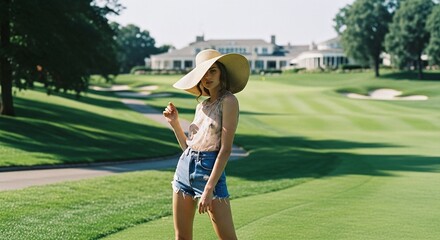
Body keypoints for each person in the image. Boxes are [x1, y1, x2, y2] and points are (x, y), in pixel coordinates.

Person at [163, 49, 249, 240]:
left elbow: (225, 150)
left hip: (209, 172)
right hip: (184, 169)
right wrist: (175, 123)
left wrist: (209, 189)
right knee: (182, 237)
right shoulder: (200, 106)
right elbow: (189, 148)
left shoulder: (229, 101)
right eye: (203, 73)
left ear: (222, 73)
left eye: (213, 71)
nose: (207, 77)